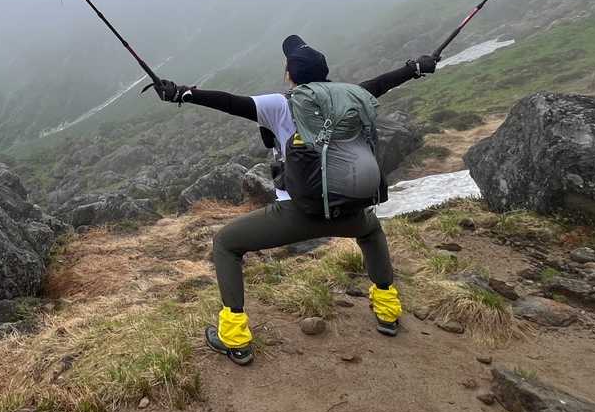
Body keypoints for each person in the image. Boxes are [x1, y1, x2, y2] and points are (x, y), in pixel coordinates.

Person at [152, 34, 439, 365]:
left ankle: (235, 338)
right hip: (347, 210)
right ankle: (388, 313)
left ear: (290, 74)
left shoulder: (280, 104)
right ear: (324, 71)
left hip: (295, 213)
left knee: (226, 244)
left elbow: (230, 102)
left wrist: (182, 93)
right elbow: (383, 83)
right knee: (372, 231)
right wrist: (416, 67)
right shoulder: (351, 95)